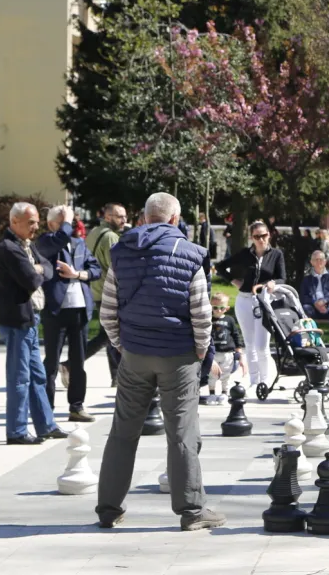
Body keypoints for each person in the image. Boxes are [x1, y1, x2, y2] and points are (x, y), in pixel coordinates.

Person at [96, 192, 224, 531]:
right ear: (174, 219)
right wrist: (200, 350)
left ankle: (108, 508)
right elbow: (201, 312)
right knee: (181, 433)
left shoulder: (121, 252)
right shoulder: (190, 254)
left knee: (123, 431)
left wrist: (123, 345)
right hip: (178, 355)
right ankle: (191, 511)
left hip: (135, 354)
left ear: (144, 218)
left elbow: (108, 311)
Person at [0, 202, 66, 446]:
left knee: (37, 376)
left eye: (37, 221)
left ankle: (46, 424)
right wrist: (38, 269)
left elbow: (47, 267)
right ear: (14, 222)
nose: (36, 226)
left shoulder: (27, 245)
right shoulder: (8, 248)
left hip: (30, 320)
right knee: (20, 377)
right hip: (17, 321)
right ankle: (16, 431)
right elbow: (32, 279)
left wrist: (39, 267)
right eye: (31, 222)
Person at [35, 205, 102, 423]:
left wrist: (78, 274)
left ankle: (77, 406)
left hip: (80, 310)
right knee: (52, 362)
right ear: (52, 224)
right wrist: (66, 220)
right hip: (56, 310)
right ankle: (47, 408)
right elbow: (59, 239)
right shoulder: (46, 242)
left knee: (78, 361)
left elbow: (96, 269)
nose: (70, 225)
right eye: (65, 221)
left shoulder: (79, 243)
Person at [214, 221, 287, 387]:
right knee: (250, 343)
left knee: (262, 345)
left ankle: (266, 380)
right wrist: (236, 282)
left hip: (264, 300)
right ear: (251, 238)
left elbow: (282, 277)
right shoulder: (245, 254)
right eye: (257, 236)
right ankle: (255, 382)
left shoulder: (276, 254)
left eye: (264, 235)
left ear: (269, 235)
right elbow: (220, 267)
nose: (261, 239)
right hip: (245, 300)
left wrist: (274, 283)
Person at [85, 203, 127, 384]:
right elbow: (117, 268)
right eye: (119, 216)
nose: (124, 220)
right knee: (109, 335)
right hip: (109, 292)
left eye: (124, 216)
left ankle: (116, 377)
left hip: (95, 290)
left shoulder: (94, 232)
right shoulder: (111, 237)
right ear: (108, 217)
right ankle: (71, 363)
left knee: (110, 334)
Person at [205, 292, 246, 405]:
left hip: (227, 353)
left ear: (227, 308)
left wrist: (239, 350)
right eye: (215, 308)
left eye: (221, 308)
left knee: (225, 375)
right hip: (213, 352)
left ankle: (224, 393)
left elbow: (236, 334)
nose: (218, 310)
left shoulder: (229, 320)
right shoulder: (208, 319)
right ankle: (212, 394)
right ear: (210, 307)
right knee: (212, 375)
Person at [299, 250, 329, 349]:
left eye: (321, 259)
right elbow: (303, 296)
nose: (319, 262)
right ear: (312, 262)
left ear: (325, 261)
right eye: (316, 260)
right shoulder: (307, 279)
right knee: (305, 309)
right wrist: (315, 303)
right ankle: (309, 339)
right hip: (313, 308)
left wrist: (325, 301)